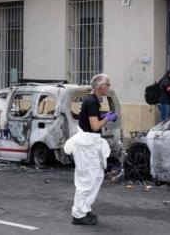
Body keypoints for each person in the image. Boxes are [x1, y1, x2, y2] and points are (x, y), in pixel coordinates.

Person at [64, 73, 116, 226]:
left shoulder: (92, 100)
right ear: (100, 87)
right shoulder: (92, 101)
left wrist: (104, 115)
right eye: (108, 84)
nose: (109, 87)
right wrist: (107, 118)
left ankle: (85, 208)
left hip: (90, 144)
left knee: (97, 176)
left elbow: (91, 121)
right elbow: (95, 126)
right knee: (86, 180)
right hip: (87, 145)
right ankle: (78, 214)